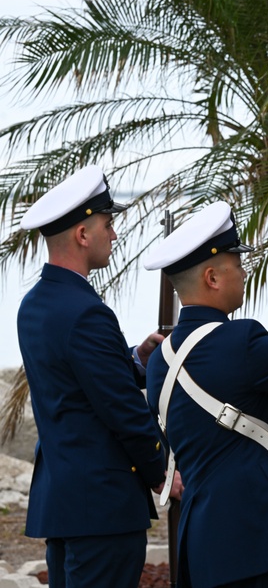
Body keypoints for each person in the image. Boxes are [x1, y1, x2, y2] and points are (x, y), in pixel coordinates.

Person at [16, 165, 172, 588]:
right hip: (103, 508)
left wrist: (137, 359)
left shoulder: (35, 304)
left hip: (64, 503)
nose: (114, 235)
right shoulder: (86, 312)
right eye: (108, 224)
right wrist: (161, 473)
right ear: (83, 235)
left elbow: (76, 382)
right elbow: (121, 409)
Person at [143, 201, 268, 588]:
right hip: (250, 534)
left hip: (198, 539)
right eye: (238, 264)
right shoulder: (244, 340)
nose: (245, 272)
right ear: (213, 277)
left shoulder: (159, 362)